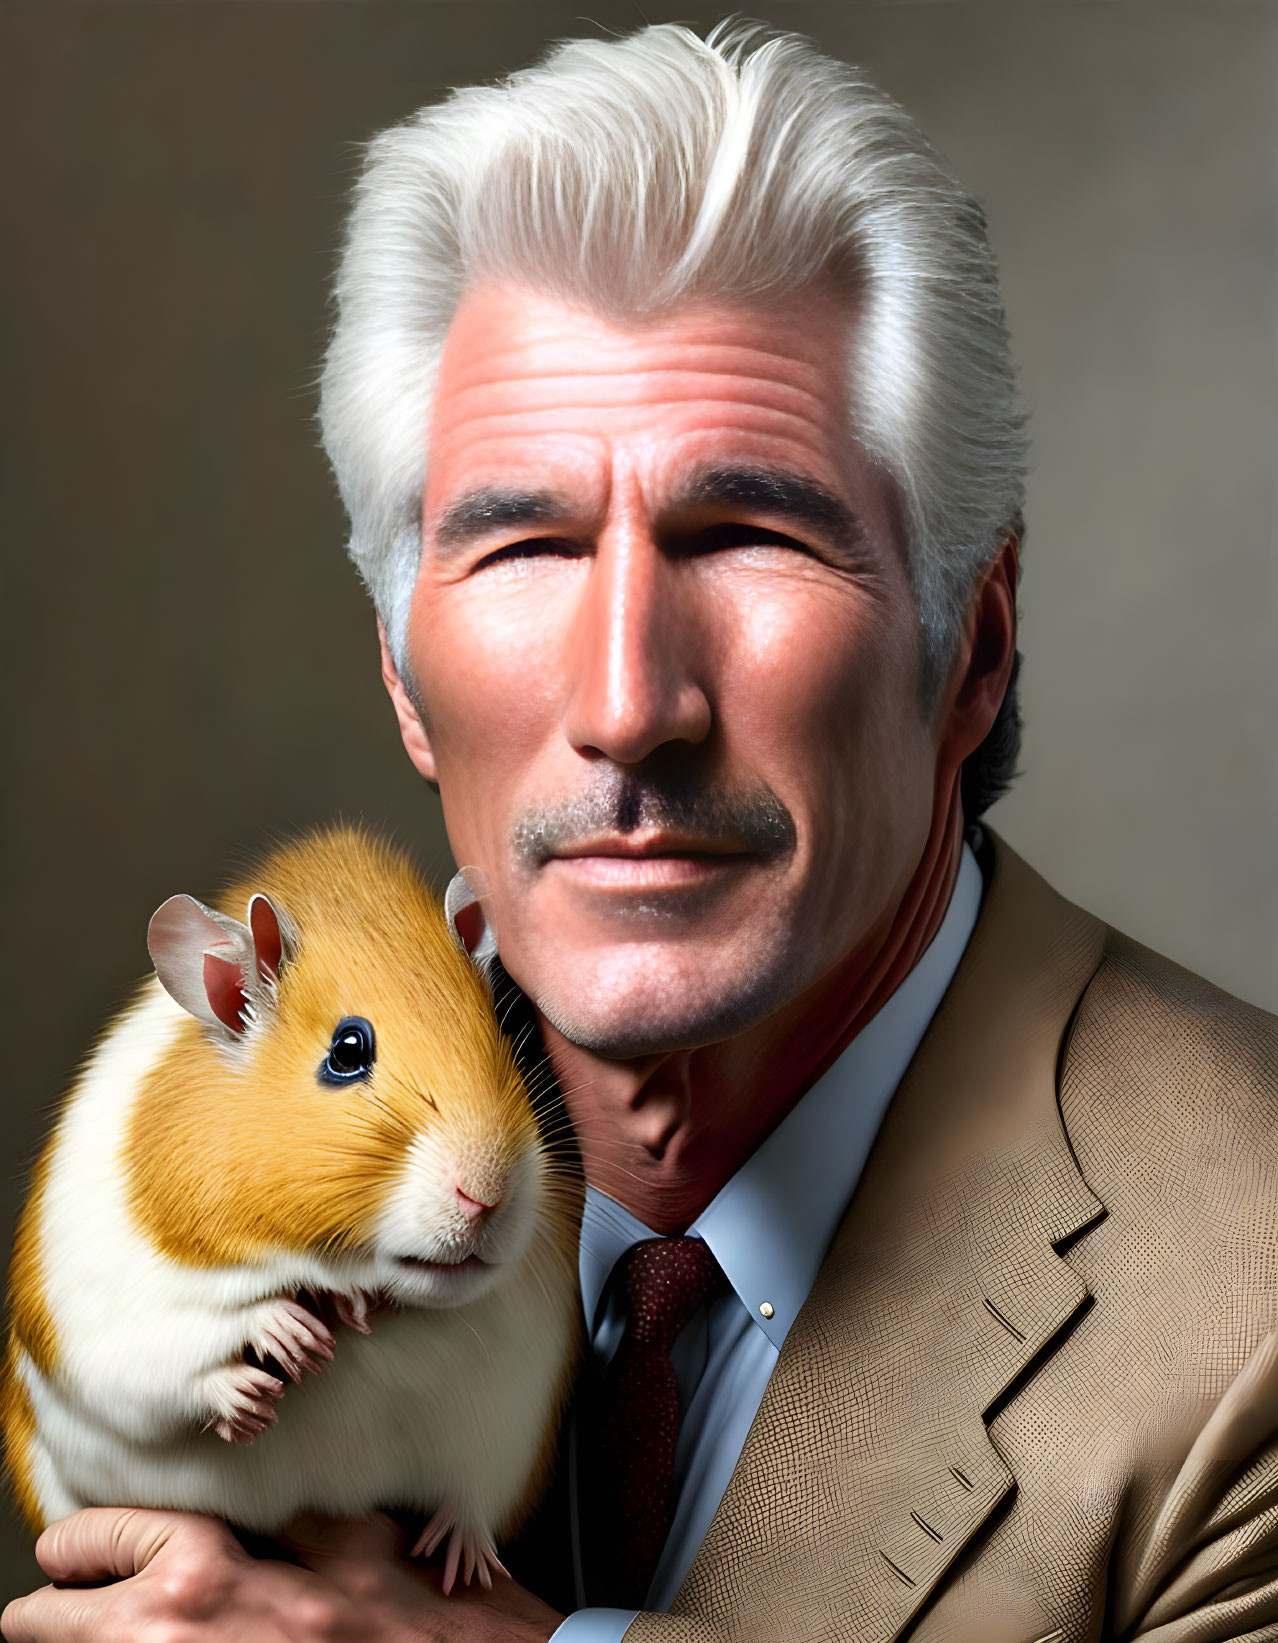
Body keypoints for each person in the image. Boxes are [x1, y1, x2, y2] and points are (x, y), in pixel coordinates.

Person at [5, 19, 1276, 1643]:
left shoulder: (1249, 1301)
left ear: (971, 645)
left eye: (743, 530)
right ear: (405, 679)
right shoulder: (250, 1183)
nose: (628, 701)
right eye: (525, 547)